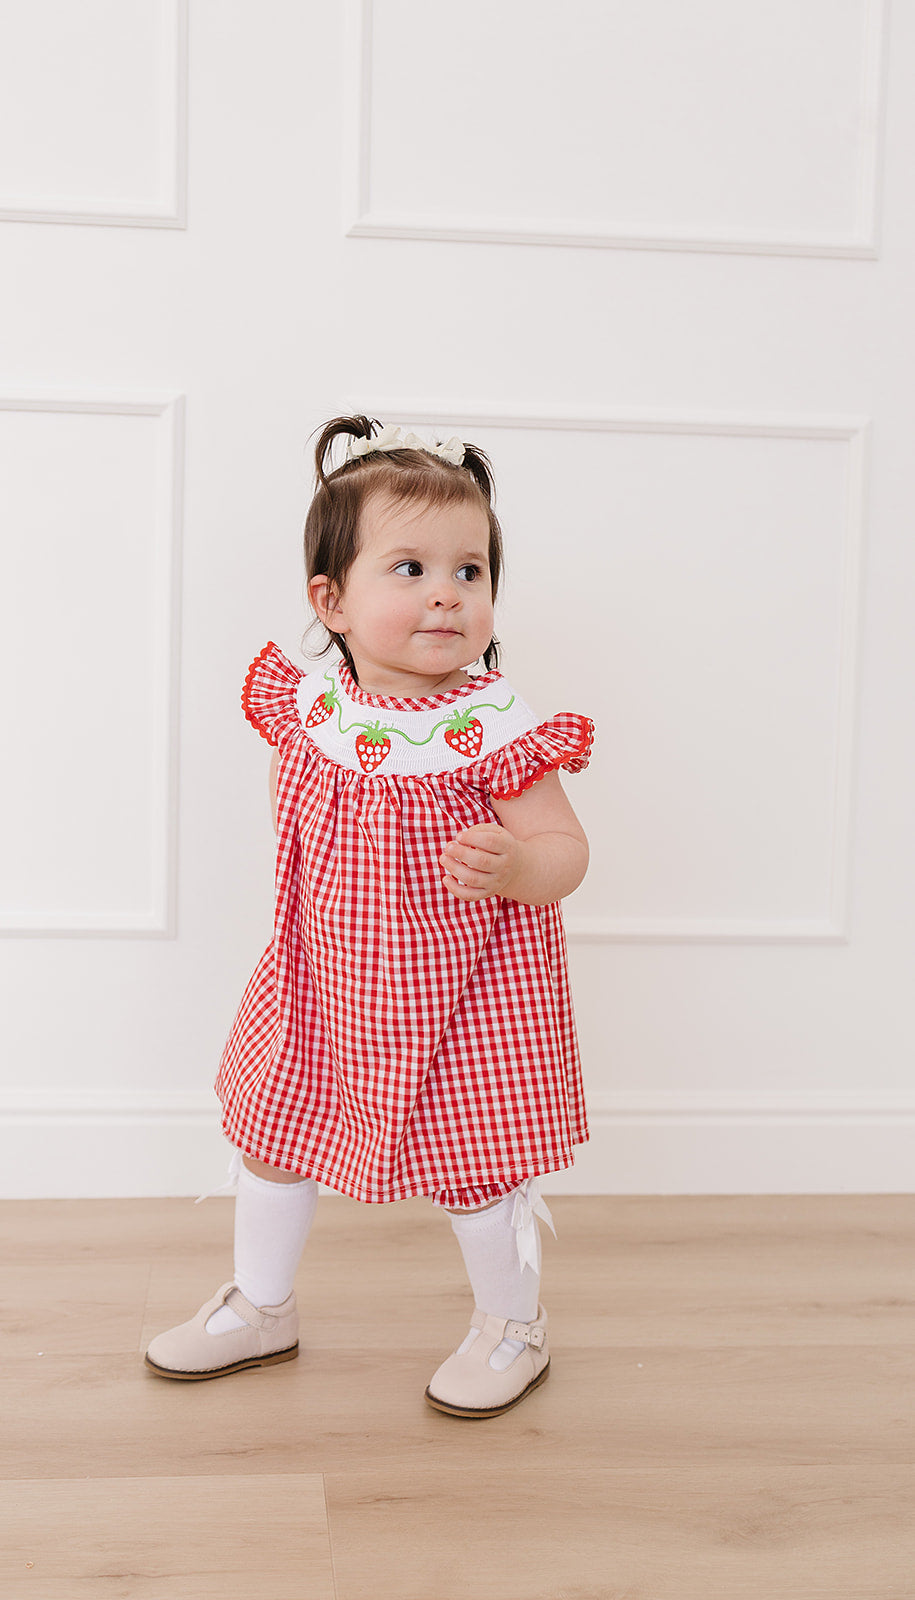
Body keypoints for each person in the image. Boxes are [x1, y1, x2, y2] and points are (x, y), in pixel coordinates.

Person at [145, 416, 594, 1418]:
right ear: (331, 601)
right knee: (273, 1133)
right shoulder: (312, 711)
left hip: (465, 999)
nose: (447, 592)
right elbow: (306, 828)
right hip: (322, 983)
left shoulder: (491, 728)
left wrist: (521, 864)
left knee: (476, 1166)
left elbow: (566, 851)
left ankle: (511, 1325)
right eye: (410, 568)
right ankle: (261, 1303)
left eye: (469, 570)